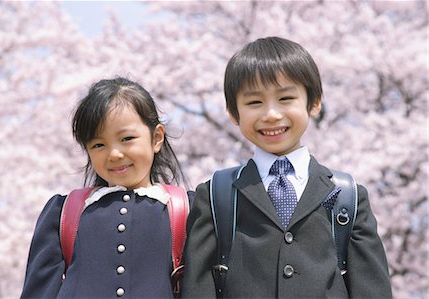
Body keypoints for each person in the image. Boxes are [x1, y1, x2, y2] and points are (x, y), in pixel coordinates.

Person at [181, 37, 392, 298]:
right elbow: (197, 289)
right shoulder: (216, 197)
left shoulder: (348, 197)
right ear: (234, 113)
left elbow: (373, 291)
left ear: (314, 103)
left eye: (286, 98)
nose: (271, 114)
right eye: (255, 102)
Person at [21, 77, 191, 298]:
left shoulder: (186, 211)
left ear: (157, 137)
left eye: (127, 138)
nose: (114, 154)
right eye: (99, 144)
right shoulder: (62, 214)